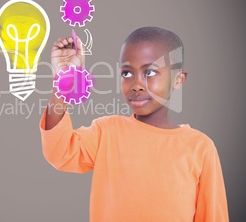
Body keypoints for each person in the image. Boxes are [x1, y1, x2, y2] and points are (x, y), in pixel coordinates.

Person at [39, 27, 229, 221]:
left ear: (178, 79)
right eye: (127, 74)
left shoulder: (200, 147)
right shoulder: (107, 131)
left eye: (150, 72)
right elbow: (59, 151)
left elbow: (213, 216)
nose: (136, 84)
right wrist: (64, 77)